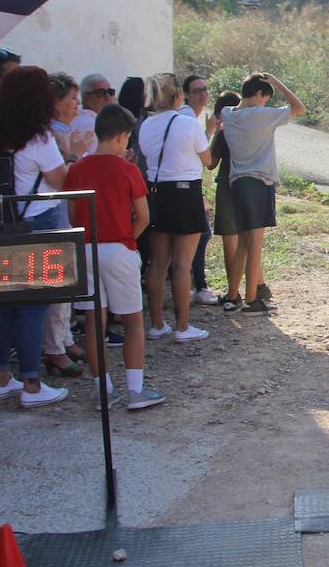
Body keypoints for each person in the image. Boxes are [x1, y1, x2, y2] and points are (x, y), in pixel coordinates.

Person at [65, 104, 163, 410]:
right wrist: (127, 240)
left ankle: (103, 390)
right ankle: (135, 390)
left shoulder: (77, 168)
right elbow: (144, 216)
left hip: (85, 248)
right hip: (119, 249)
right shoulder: (128, 169)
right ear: (122, 136)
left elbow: (71, 215)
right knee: (133, 319)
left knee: (95, 321)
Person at [0, 66, 70, 408]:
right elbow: (62, 181)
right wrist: (73, 156)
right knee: (34, 306)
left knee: (5, 305)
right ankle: (33, 385)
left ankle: (0, 378)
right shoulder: (40, 138)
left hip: (6, 225)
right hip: (38, 221)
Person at [221, 73, 306, 315]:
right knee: (255, 244)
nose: (266, 103)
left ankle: (232, 296)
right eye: (266, 98)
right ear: (258, 94)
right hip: (258, 183)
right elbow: (298, 108)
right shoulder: (260, 114)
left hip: (237, 183)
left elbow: (228, 110)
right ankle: (251, 300)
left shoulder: (228, 113)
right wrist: (278, 82)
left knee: (243, 244)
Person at [138, 73, 211, 343]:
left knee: (157, 263)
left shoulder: (146, 125)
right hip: (186, 192)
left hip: (157, 193)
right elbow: (207, 159)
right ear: (178, 96)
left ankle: (157, 324)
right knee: (182, 264)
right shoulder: (187, 123)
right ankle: (183, 326)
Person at [44, 72, 93, 377]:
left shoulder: (64, 130)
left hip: (61, 212)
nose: (77, 103)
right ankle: (54, 347)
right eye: (72, 98)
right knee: (58, 280)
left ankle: (64, 339)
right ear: (56, 103)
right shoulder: (51, 134)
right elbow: (65, 181)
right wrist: (76, 154)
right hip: (53, 211)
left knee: (68, 278)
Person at [180, 74, 220, 306]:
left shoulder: (187, 118)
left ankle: (195, 286)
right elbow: (206, 159)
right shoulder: (188, 120)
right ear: (185, 95)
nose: (202, 94)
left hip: (187, 185)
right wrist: (209, 131)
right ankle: (199, 287)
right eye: (196, 91)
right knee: (201, 234)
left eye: (205, 89)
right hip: (186, 187)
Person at [206, 92, 244, 311]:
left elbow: (211, 163)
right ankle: (258, 287)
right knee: (250, 239)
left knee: (231, 243)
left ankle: (233, 292)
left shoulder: (224, 130)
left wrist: (210, 134)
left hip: (228, 184)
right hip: (252, 186)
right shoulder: (252, 127)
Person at [69, 73, 116, 155]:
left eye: (110, 92)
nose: (108, 98)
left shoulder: (74, 118)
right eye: (100, 93)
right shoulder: (92, 124)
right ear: (85, 97)